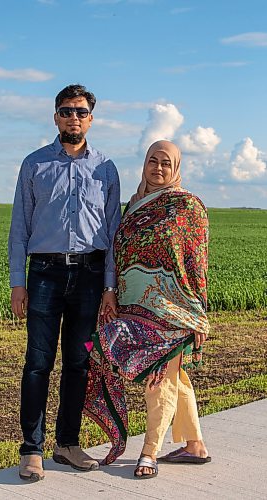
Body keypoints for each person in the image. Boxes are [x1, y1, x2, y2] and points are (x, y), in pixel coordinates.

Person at [8, 84, 121, 481]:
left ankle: (67, 444)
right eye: (66, 110)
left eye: (81, 111)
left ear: (92, 118)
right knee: (38, 362)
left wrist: (109, 287)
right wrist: (17, 283)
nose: (74, 117)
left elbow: (112, 231)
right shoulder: (34, 164)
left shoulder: (106, 168)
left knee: (80, 361)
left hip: (91, 278)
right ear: (55, 116)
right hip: (44, 275)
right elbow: (19, 228)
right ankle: (32, 448)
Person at [83, 140, 211, 479]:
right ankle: (195, 444)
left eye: (166, 163)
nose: (158, 168)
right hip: (130, 308)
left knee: (159, 380)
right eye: (152, 161)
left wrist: (198, 314)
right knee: (172, 376)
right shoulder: (134, 205)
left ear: (176, 168)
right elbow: (117, 251)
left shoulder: (187, 207)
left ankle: (149, 452)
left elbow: (197, 263)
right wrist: (110, 294)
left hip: (174, 310)